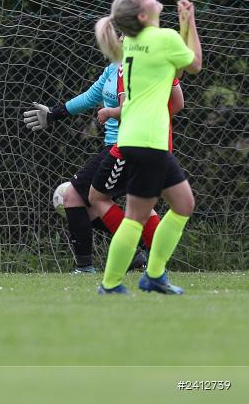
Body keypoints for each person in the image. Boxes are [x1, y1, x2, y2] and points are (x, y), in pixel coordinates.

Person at [94, 0, 201, 294]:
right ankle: (111, 284)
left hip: (137, 138)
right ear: (143, 15)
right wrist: (189, 23)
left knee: (183, 204)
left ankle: (154, 275)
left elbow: (175, 65)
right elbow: (193, 64)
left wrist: (182, 25)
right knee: (136, 217)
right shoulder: (162, 38)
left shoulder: (131, 41)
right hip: (148, 139)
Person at [23, 60, 158, 273]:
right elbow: (89, 96)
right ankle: (139, 255)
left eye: (121, 32)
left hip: (127, 145)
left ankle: (90, 266)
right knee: (96, 203)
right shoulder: (113, 69)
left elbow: (143, 107)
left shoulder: (140, 67)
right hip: (117, 146)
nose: (119, 38)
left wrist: (112, 113)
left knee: (74, 197)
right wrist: (53, 114)